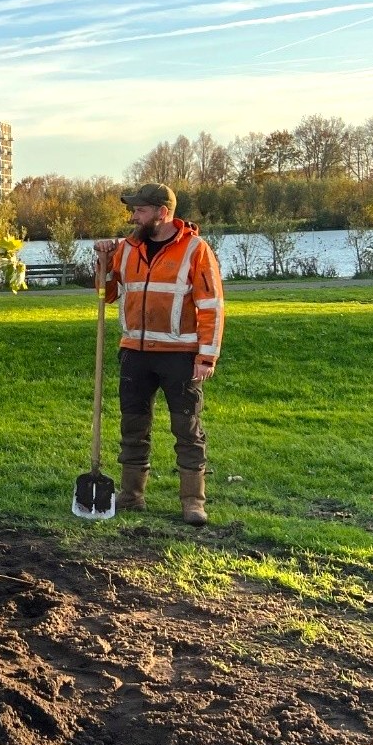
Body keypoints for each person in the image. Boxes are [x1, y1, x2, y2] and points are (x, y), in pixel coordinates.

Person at [93, 183, 224, 526]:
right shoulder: (126, 248)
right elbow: (105, 294)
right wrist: (103, 259)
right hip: (135, 353)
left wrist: (206, 356)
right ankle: (131, 495)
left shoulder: (195, 249)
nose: (133, 216)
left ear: (162, 213)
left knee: (187, 427)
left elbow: (211, 306)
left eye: (140, 210)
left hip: (180, 356)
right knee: (133, 425)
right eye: (134, 210)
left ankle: (193, 502)